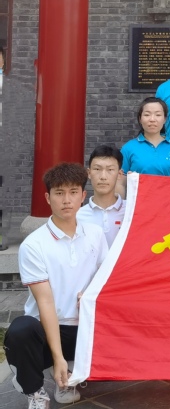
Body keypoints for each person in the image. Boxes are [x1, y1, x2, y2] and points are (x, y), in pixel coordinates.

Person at [4, 163, 108, 409]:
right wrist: (57, 356)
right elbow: (45, 301)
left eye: (73, 192)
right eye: (59, 193)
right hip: (49, 325)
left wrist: (92, 293)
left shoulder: (95, 234)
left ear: (83, 196)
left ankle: (69, 371)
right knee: (21, 330)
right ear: (47, 197)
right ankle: (35, 390)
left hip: (85, 326)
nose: (66, 200)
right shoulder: (34, 245)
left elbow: (106, 276)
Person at [117, 96, 170, 197]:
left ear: (165, 119)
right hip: (138, 204)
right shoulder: (128, 148)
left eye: (158, 115)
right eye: (147, 115)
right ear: (140, 119)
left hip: (167, 203)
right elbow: (120, 183)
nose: (152, 119)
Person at [77, 145, 126, 248]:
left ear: (119, 174)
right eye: (97, 169)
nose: (103, 177)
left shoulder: (131, 212)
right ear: (89, 173)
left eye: (110, 170)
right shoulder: (77, 216)